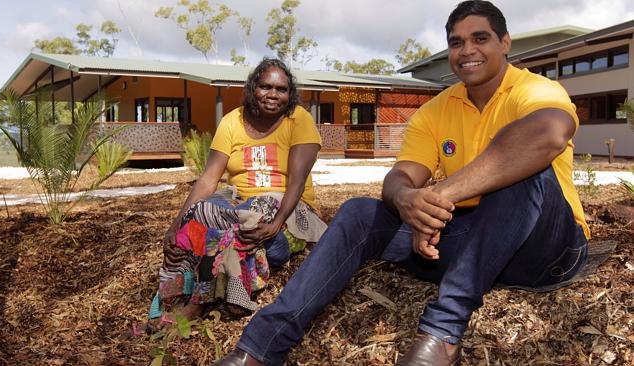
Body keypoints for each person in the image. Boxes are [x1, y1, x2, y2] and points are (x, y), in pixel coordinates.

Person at [213, 1, 590, 365]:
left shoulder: (534, 90)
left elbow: (548, 134)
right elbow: (399, 177)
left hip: (544, 248)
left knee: (524, 171)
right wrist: (409, 199)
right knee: (360, 212)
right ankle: (259, 348)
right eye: (456, 42)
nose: (467, 50)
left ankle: (442, 335)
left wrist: (440, 195)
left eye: (480, 38)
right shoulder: (436, 110)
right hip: (471, 244)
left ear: (505, 43)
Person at [131, 58, 327, 336]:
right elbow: (209, 178)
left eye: (281, 89)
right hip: (240, 208)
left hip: (289, 209)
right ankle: (169, 301)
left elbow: (296, 181)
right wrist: (177, 225)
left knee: (248, 220)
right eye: (265, 86)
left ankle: (196, 305)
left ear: (290, 93)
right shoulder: (232, 121)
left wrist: (277, 221)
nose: (273, 94)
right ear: (252, 88)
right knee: (199, 216)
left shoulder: (299, 119)